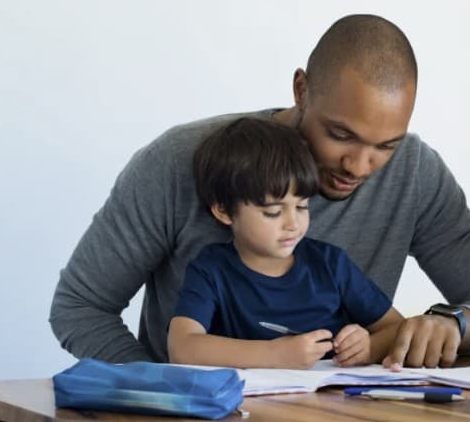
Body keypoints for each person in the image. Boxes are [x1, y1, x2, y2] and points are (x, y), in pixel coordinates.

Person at [50, 14, 470, 368]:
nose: (360, 166)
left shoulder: (414, 172)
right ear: (302, 89)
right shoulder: (179, 161)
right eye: (340, 135)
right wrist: (162, 394)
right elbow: (79, 307)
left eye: (385, 145)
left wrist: (457, 323)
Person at [167, 117, 404, 369]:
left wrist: (368, 347)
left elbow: (397, 327)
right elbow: (182, 347)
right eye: (273, 212)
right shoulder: (211, 270)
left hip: (332, 401)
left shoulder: (330, 264)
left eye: (302, 206)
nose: (293, 223)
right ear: (224, 211)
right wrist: (275, 355)